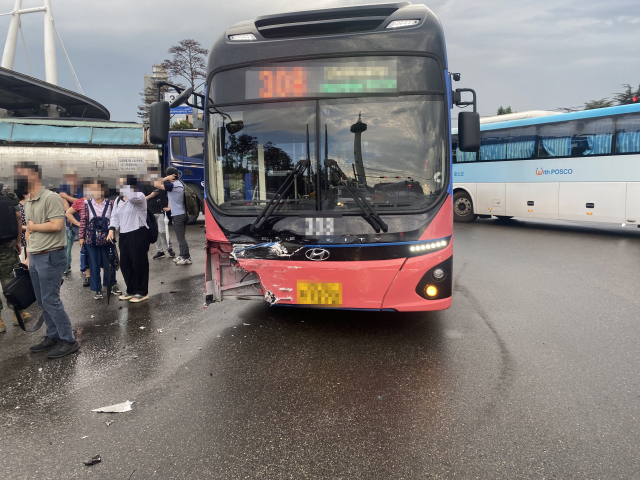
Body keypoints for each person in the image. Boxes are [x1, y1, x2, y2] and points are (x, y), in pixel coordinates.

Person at [16, 162, 78, 358]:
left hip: (51, 255)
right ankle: (53, 335)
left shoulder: (50, 197)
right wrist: (27, 256)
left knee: (51, 300)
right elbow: (29, 233)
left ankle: (68, 340)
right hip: (35, 255)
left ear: (34, 176)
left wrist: (33, 227)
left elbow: (57, 225)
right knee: (42, 301)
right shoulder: (29, 201)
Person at [107, 176, 150, 303]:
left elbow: (131, 197)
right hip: (124, 235)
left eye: (122, 184)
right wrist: (111, 230)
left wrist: (126, 188)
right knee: (126, 264)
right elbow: (114, 216)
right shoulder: (118, 200)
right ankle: (131, 290)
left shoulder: (139, 196)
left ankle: (142, 292)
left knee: (139, 263)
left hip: (138, 233)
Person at [78, 179, 121, 300]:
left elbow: (115, 219)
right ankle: (97, 289)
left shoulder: (111, 203)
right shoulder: (86, 204)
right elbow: (83, 222)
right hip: (91, 240)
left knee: (110, 263)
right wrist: (81, 237)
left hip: (108, 239)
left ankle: (112, 284)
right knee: (94, 264)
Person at [0, 184, 31, 333]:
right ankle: (17, 314)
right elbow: (18, 216)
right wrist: (18, 241)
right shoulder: (7, 193)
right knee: (10, 279)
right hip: (6, 245)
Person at [154, 167, 191, 265]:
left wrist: (166, 178)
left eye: (167, 175)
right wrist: (169, 207)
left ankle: (186, 257)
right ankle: (182, 254)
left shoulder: (173, 186)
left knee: (180, 238)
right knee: (181, 237)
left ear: (171, 176)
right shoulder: (179, 184)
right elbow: (173, 197)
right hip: (181, 213)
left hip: (178, 215)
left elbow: (156, 183)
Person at [142, 167, 175, 260]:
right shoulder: (146, 185)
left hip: (161, 211)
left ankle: (169, 248)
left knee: (162, 231)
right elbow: (142, 199)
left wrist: (169, 206)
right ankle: (160, 251)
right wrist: (151, 195)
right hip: (150, 212)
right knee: (154, 232)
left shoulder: (164, 183)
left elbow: (170, 195)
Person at [59, 172, 83, 274]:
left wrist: (68, 197)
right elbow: (63, 199)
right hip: (68, 221)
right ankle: (66, 266)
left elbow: (81, 201)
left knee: (83, 245)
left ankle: (84, 267)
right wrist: (69, 216)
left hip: (80, 221)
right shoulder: (63, 186)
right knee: (65, 246)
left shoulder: (82, 187)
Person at [66, 195, 92, 287]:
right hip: (85, 232)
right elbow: (68, 213)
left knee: (102, 255)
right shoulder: (79, 202)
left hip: (100, 232)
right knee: (86, 254)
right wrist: (78, 223)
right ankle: (88, 276)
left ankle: (107, 277)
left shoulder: (100, 200)